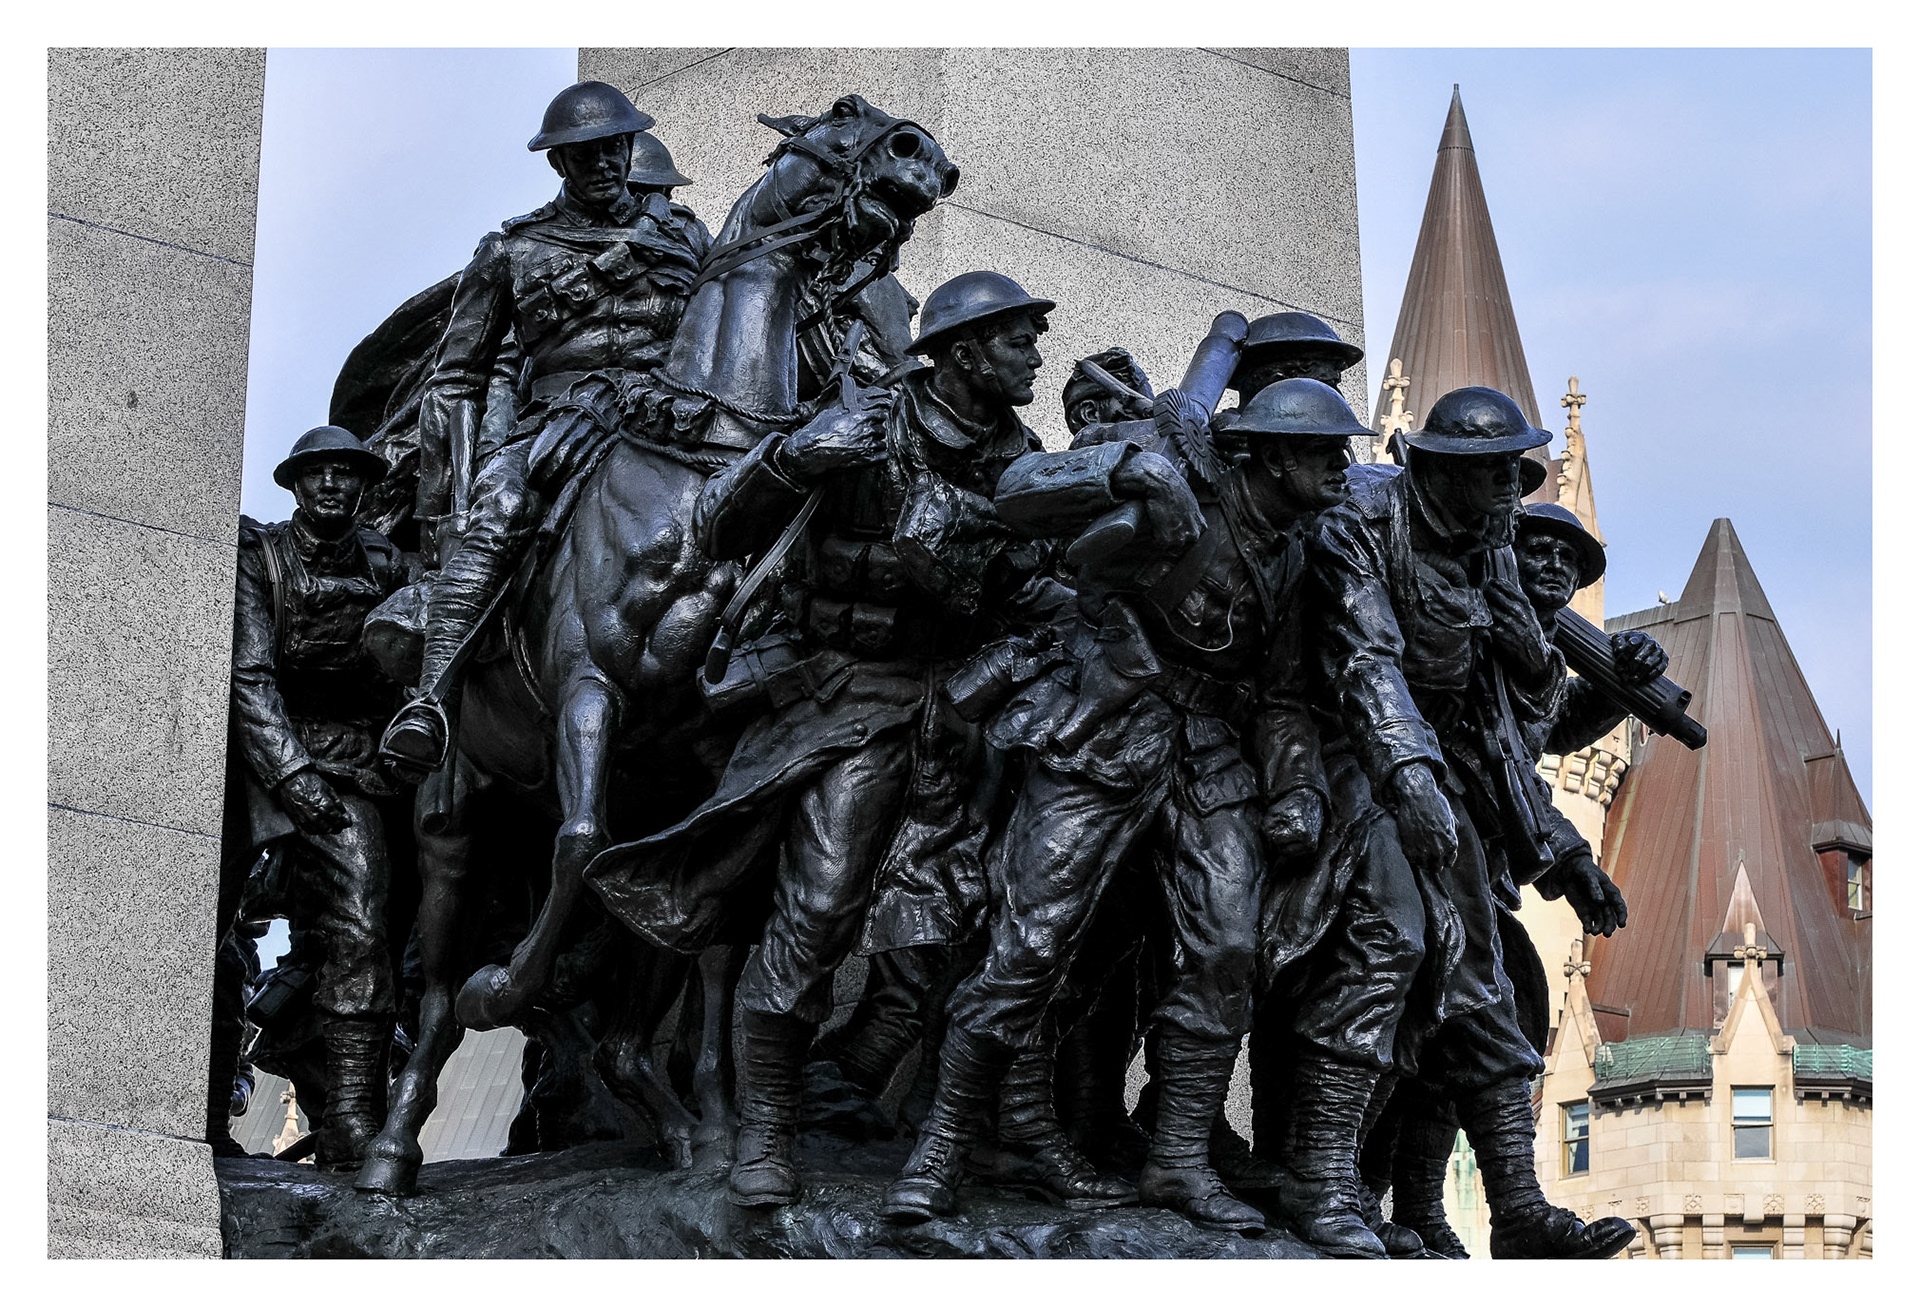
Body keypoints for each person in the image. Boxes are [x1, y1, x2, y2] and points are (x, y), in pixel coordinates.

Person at [881, 377, 1364, 1232]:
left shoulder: (1296, 555)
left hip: (1207, 752)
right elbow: (1018, 491)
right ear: (1273, 457)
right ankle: (943, 1148)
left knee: (1229, 947)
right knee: (1028, 945)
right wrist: (1127, 469)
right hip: (1104, 731)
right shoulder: (1183, 488)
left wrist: (1296, 785)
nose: (1342, 466)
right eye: (1324, 451)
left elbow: (1284, 694)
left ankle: (1177, 1160)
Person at [1291, 386, 1635, 1258]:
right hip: (1335, 751)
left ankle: (1515, 1205)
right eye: (1499, 475)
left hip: (1434, 775)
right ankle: (1321, 1179)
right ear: (1448, 470)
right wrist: (1409, 778)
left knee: (1484, 978)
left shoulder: (1488, 551)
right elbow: (1365, 662)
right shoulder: (1363, 517)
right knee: (1393, 938)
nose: (1512, 495)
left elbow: (1506, 728)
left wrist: (1562, 852)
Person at [380, 81, 709, 778]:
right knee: (500, 509)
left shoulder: (684, 236)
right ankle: (431, 700)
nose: (603, 164)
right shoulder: (513, 250)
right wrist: (442, 511)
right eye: (585, 154)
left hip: (670, 420)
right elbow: (456, 382)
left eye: (614, 148)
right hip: (556, 425)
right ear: (558, 163)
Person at [1379, 499, 1661, 1258]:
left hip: (1476, 863)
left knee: (1486, 1014)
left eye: (1571, 561)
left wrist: (1621, 677)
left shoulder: (1528, 649)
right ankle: (1506, 1208)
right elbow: (1492, 760)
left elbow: (1553, 724)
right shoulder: (1474, 631)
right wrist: (1570, 859)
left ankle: (1419, 1207)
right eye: (1539, 550)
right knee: (1476, 1009)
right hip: (1422, 840)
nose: (1556, 568)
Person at [226, 425, 411, 1168]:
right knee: (213, 926)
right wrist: (290, 773)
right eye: (318, 472)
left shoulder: (390, 564)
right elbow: (249, 674)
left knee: (362, 924)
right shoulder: (261, 554)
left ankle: (352, 1118)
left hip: (351, 765)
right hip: (260, 759)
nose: (332, 484)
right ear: (296, 484)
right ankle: (207, 1104)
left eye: (346, 472)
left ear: (363, 484)